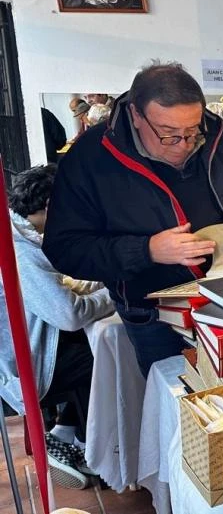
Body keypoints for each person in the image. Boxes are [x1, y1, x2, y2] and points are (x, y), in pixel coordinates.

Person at [43, 61, 223, 376]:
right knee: (179, 406)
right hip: (156, 319)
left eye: (192, 131)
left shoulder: (220, 134)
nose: (183, 145)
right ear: (137, 115)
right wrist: (147, 250)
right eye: (168, 135)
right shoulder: (92, 156)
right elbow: (64, 248)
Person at [1, 164, 114, 489]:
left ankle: (63, 434)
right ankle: (83, 445)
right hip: (22, 367)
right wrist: (110, 294)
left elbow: (61, 286)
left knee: (89, 346)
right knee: (100, 359)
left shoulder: (18, 228)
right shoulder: (20, 250)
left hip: (33, 344)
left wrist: (95, 283)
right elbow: (68, 314)